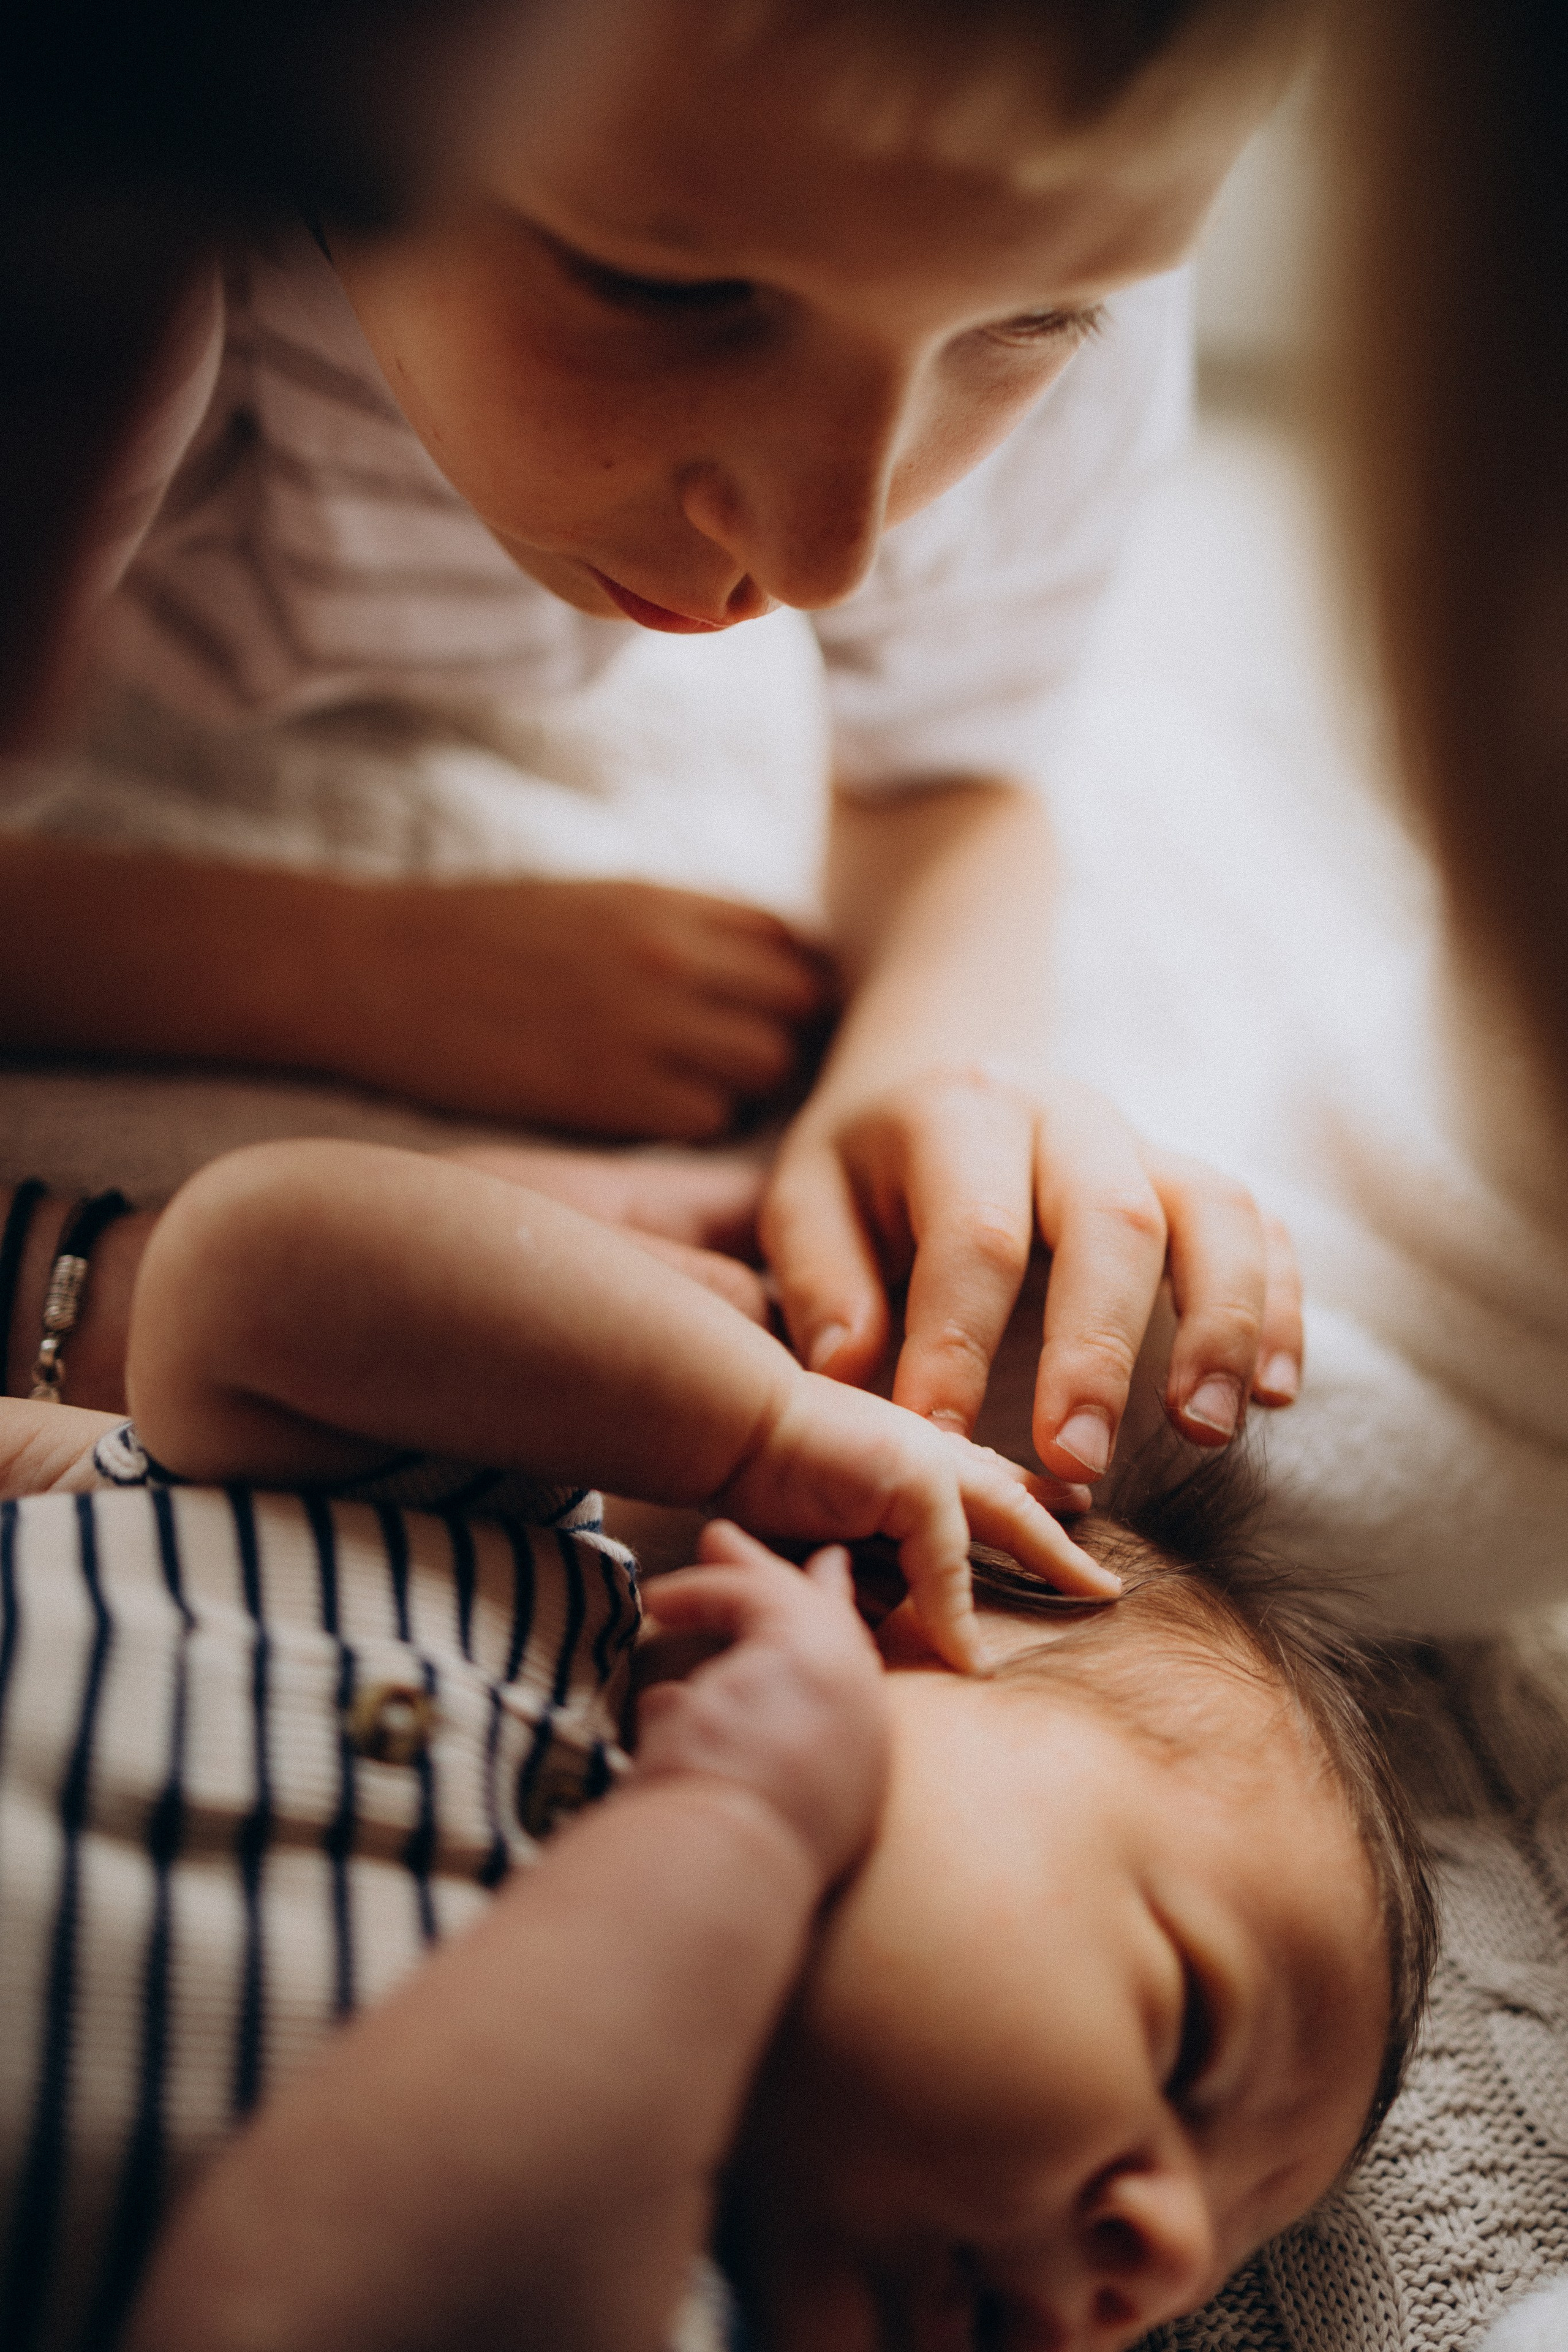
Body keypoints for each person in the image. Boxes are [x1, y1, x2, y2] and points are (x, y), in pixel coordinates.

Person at [0, 0, 1311, 1498]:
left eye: (1037, 322)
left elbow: (951, 777)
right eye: (666, 288)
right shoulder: (114, 258)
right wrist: (345, 969)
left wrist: (935, 1058)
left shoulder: (1017, 224)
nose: (831, 550)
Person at [0, 1137, 1434, 2352]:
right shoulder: (489, 1538)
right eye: (1183, 2035)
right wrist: (756, 1426)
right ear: (891, 1607)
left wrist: (727, 1833)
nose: (1164, 2262)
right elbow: (253, 1266)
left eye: (1201, 2289)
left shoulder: (637, 2300)